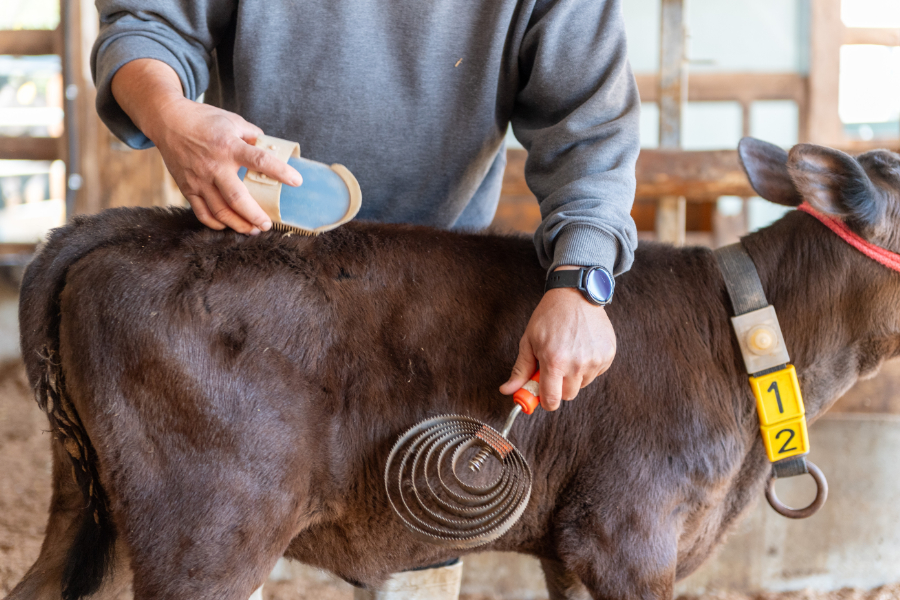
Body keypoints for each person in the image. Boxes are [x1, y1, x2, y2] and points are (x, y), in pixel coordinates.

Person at [91, 0, 639, 595]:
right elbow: (150, 22)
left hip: (435, 297)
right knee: (202, 551)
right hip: (252, 279)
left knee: (416, 540)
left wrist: (583, 280)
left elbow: (591, 121)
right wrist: (170, 115)